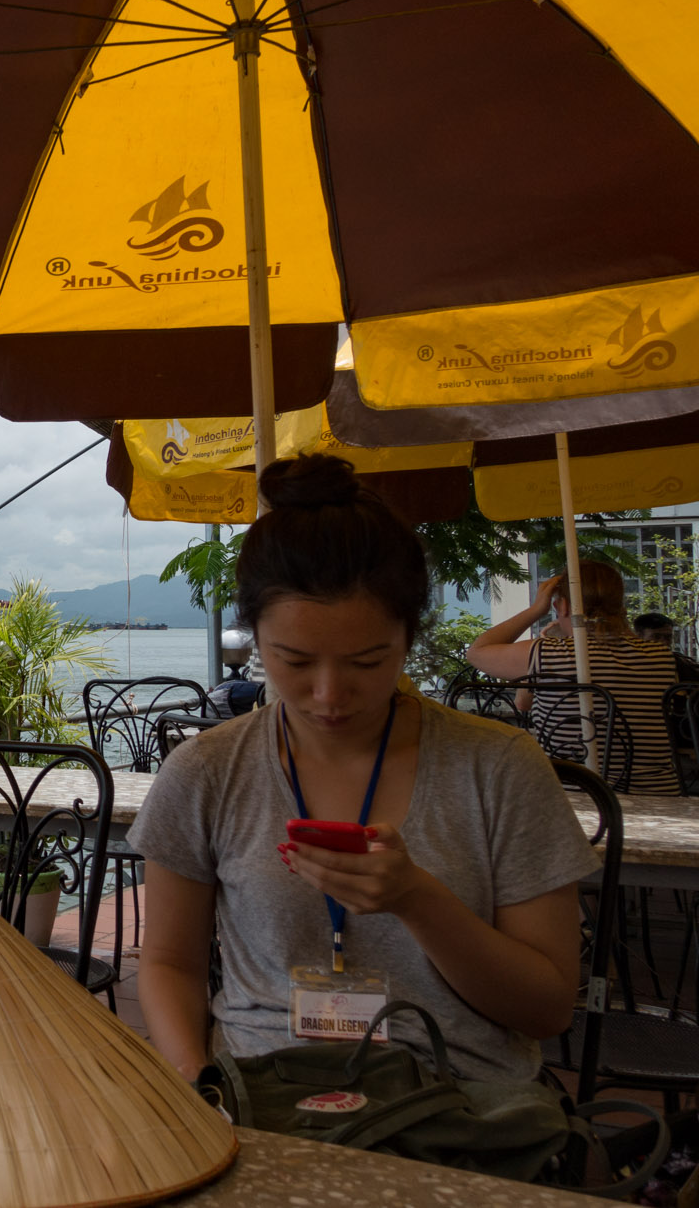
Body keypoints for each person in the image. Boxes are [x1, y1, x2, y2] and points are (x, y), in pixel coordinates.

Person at [130, 455, 599, 1084]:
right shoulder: (207, 771)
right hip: (266, 1104)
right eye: (294, 661)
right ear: (253, 640)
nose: (329, 695)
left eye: (367, 661)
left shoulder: (497, 767)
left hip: (456, 1112)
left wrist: (417, 899)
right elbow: (168, 963)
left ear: (409, 636)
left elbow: (546, 1009)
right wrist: (199, 1085)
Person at [468, 565, 681, 795]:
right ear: (621, 607)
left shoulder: (548, 653)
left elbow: (477, 652)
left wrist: (536, 610)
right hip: (657, 794)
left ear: (563, 606)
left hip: (570, 796)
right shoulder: (661, 657)